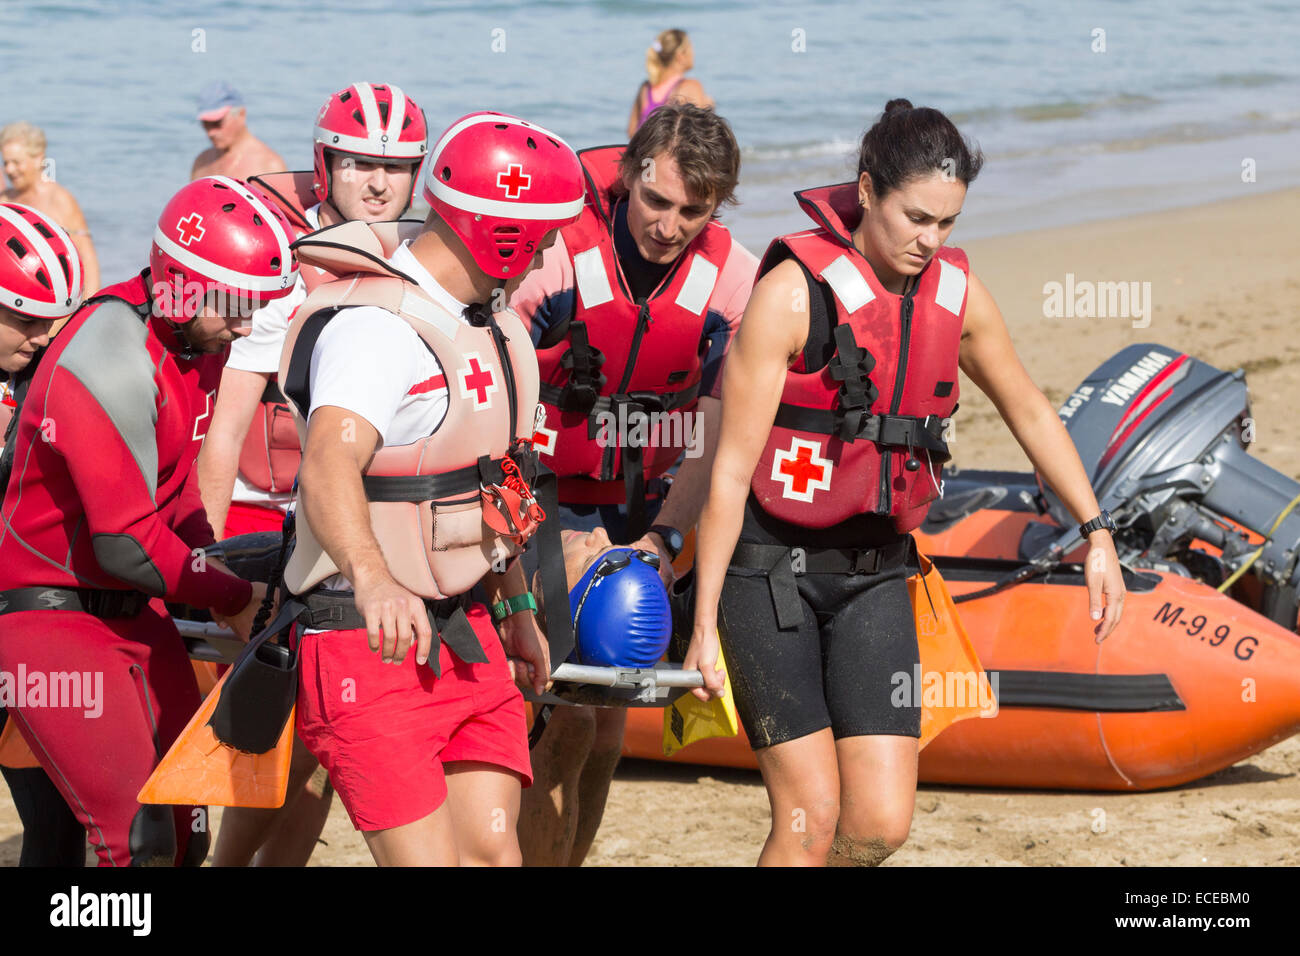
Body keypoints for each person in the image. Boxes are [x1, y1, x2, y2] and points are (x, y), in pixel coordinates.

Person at [685, 99, 1128, 867]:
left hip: (876, 578)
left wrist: (1097, 533)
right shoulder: (791, 295)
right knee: (807, 816)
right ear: (866, 191)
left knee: (882, 824)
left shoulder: (957, 296)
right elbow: (727, 473)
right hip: (768, 576)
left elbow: (1026, 406)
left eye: (948, 223)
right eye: (916, 217)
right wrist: (701, 627)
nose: (931, 240)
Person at [275, 111, 584, 866]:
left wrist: (516, 607)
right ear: (499, 231)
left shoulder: (494, 327)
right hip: (364, 636)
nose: (547, 251)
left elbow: (496, 480)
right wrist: (375, 578)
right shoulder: (376, 332)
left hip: (468, 625)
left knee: (492, 855)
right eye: (540, 235)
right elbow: (326, 466)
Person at [0, 176, 299, 866]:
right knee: (134, 839)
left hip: (133, 615)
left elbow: (178, 495)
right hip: (50, 615)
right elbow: (126, 542)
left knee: (188, 834)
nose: (248, 326)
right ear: (185, 286)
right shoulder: (108, 349)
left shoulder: (200, 342)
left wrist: (214, 563)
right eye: (238, 307)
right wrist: (230, 595)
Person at [509, 103, 755, 866]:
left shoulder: (734, 280)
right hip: (541, 492)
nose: (669, 225)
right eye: (655, 201)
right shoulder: (552, 256)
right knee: (566, 717)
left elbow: (716, 437)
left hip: (645, 505)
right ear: (625, 180)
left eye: (692, 211)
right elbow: (487, 396)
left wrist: (663, 539)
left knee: (612, 728)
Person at [198, 82, 428, 868]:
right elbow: (225, 429)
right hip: (273, 529)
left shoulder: (421, 274)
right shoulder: (283, 274)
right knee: (284, 748)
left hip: (361, 531)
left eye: (397, 168)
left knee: (320, 762)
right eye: (360, 162)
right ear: (325, 164)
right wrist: (214, 557)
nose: (377, 182)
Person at [0, 202, 88, 866]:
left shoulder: (41, 378)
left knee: (57, 827)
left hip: (27, 631)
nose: (42, 337)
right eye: (27, 322)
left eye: (53, 322)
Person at [1, 122, 101, 297]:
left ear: (38, 158)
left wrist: (87, 311)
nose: (9, 170)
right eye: (6, 162)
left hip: (54, 299)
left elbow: (87, 260)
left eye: (16, 162)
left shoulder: (59, 199)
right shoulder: (5, 199)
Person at [191, 81, 287, 182]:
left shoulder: (269, 166)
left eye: (217, 123)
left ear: (241, 114)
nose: (211, 132)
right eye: (205, 124)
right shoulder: (201, 162)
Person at [626, 29, 713, 137]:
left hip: (642, 152)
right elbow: (701, 132)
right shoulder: (690, 86)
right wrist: (710, 109)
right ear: (680, 56)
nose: (693, 54)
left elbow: (631, 131)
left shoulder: (645, 88)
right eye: (691, 49)